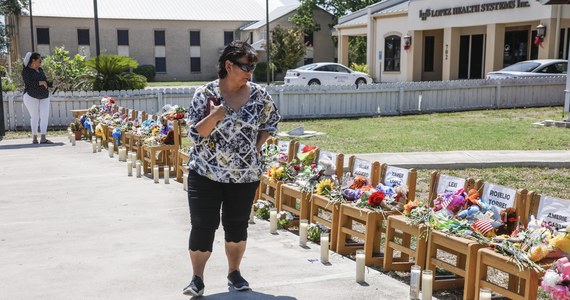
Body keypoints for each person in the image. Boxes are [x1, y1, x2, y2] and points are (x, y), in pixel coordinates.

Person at [183, 41, 280, 297]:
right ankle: (197, 279)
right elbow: (195, 134)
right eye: (246, 66)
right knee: (203, 225)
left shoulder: (259, 95)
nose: (250, 72)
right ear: (229, 65)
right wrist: (215, 115)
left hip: (245, 176)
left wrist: (255, 147)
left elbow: (272, 121)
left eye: (253, 66)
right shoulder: (205, 94)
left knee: (237, 227)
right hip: (206, 174)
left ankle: (234, 273)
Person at [21, 52, 55, 144]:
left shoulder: (40, 70)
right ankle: (35, 138)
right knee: (35, 116)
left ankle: (43, 138)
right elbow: (29, 84)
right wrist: (40, 83)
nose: (41, 61)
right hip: (31, 96)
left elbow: (45, 82)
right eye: (39, 59)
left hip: (44, 96)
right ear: (34, 60)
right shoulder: (26, 71)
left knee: (44, 116)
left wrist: (53, 84)